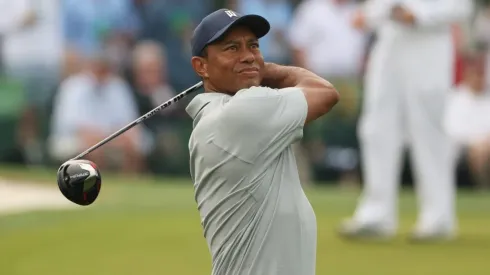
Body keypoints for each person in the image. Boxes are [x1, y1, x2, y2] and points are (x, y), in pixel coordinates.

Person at [185, 8, 339, 275]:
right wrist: (266, 70)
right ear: (201, 66)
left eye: (253, 46)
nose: (248, 56)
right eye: (232, 48)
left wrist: (251, 69)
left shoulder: (221, 114)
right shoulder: (242, 113)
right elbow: (325, 92)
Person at [340, 0, 474, 241]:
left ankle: (438, 217)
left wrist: (418, 15)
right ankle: (376, 214)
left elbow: (461, 6)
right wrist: (369, 15)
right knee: (376, 129)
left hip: (429, 44)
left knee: (428, 131)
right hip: (390, 42)